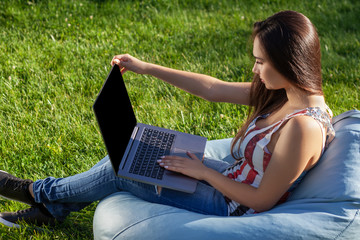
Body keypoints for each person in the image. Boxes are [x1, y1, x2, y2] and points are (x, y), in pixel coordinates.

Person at [0, 10, 335, 227]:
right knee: (133, 149)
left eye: (261, 62)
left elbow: (263, 199)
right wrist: (144, 67)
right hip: (231, 178)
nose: (254, 70)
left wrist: (203, 171)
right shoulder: (285, 95)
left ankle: (34, 192)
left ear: (288, 61)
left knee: (123, 169)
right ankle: (51, 210)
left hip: (233, 205)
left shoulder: (302, 127)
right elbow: (212, 88)